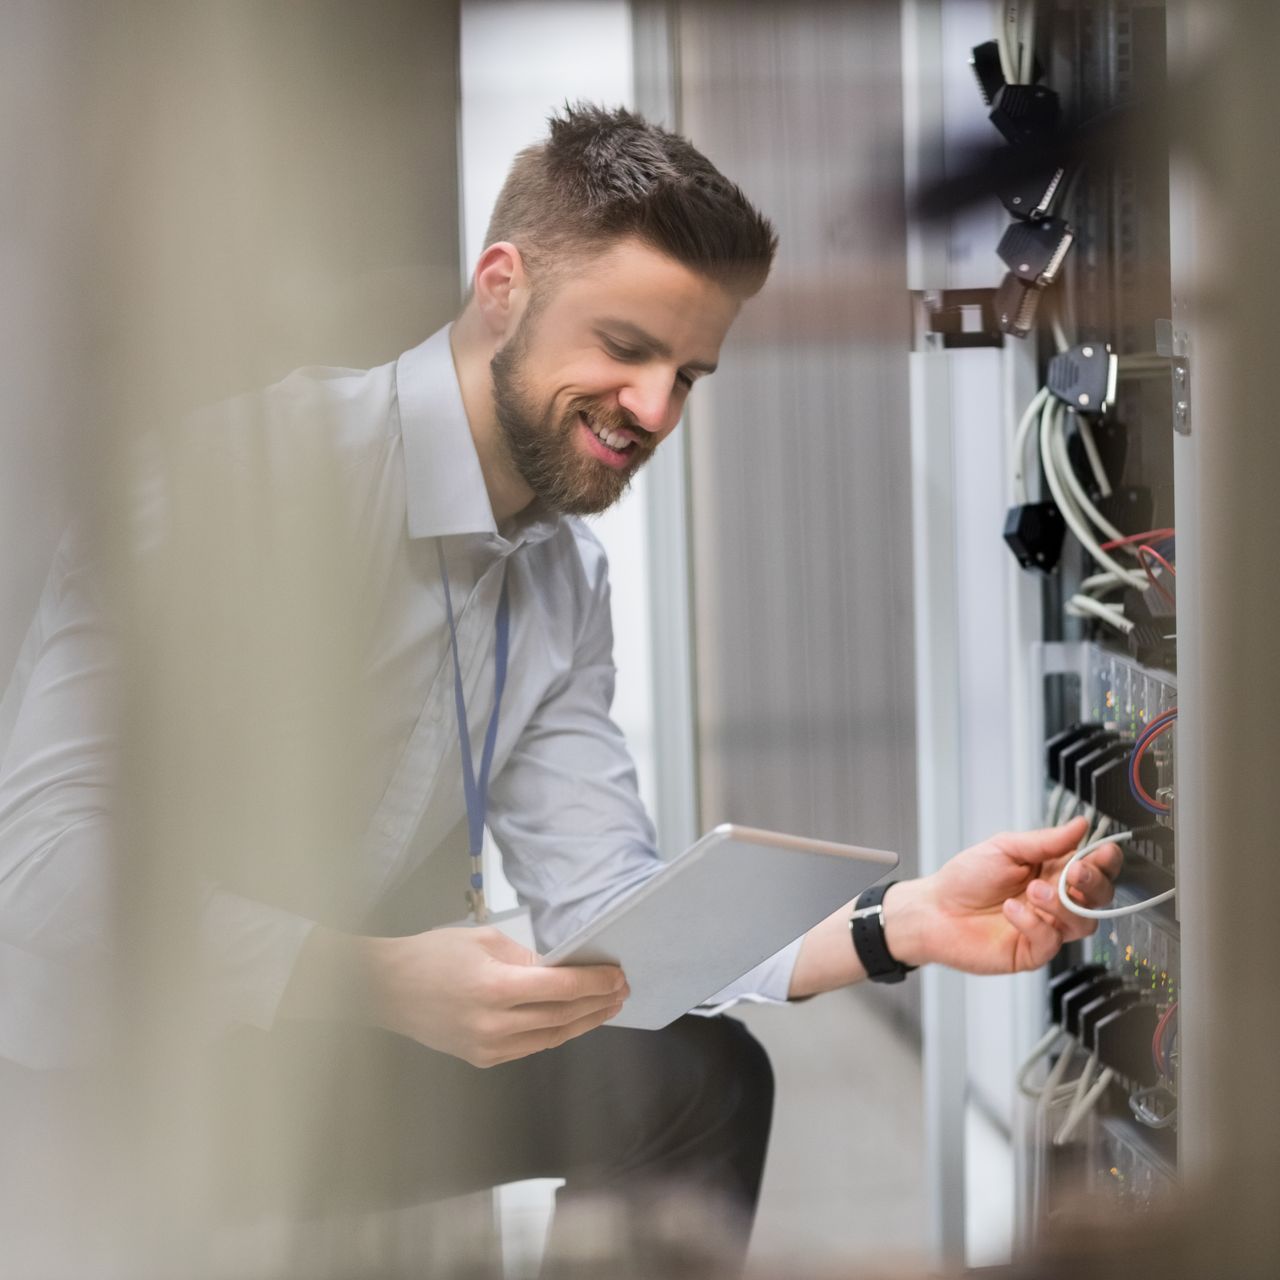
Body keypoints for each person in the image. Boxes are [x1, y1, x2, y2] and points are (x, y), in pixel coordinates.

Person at [0, 104, 1120, 1248]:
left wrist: (904, 922)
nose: (652, 411)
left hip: (308, 1058)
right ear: (501, 286)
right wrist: (378, 983)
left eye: (687, 374)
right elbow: (35, 872)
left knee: (699, 1078)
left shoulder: (558, 576)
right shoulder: (235, 482)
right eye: (625, 347)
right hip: (97, 1082)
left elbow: (607, 913)